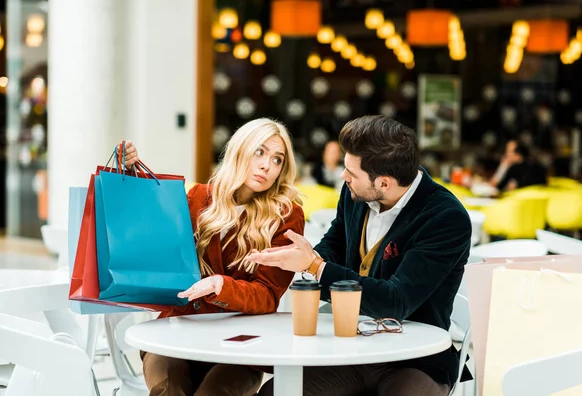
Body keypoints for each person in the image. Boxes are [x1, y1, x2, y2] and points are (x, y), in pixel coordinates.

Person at [249, 115, 472, 396]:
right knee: (276, 392)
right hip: (351, 348)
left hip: (415, 359)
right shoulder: (356, 193)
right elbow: (335, 243)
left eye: (351, 173)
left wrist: (317, 267)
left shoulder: (445, 217)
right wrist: (304, 256)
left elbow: (396, 301)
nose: (343, 177)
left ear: (385, 183)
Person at [123, 118, 305, 396]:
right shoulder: (199, 197)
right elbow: (156, 234)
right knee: (167, 389)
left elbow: (268, 296)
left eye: (277, 159)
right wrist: (131, 176)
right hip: (177, 329)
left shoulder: (285, 216)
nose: (267, 165)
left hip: (242, 344)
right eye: (259, 152)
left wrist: (221, 285)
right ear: (239, 150)